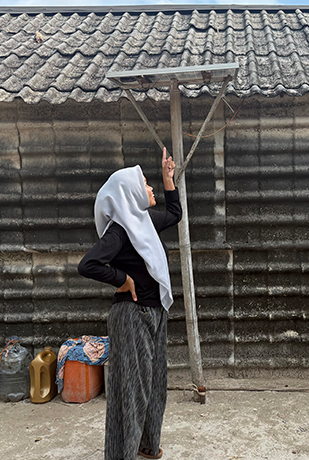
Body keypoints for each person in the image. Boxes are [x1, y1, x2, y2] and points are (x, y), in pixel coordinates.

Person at [78, 148, 181, 460]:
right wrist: (122, 279)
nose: (151, 189)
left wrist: (168, 179)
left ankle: (148, 445)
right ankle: (122, 454)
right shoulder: (120, 231)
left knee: (156, 383)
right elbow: (89, 264)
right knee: (130, 389)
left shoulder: (145, 222)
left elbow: (175, 214)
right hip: (131, 315)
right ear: (130, 192)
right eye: (147, 184)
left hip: (155, 312)